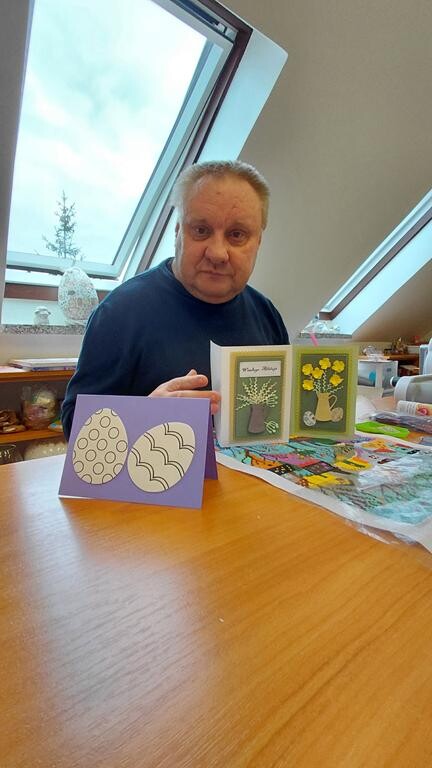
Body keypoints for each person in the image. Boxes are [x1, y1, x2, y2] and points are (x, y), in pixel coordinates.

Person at [61, 160, 289, 439]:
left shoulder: (267, 315)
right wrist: (145, 415)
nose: (217, 253)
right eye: (201, 230)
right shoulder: (119, 313)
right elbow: (74, 427)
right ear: (178, 232)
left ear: (258, 242)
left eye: (237, 235)